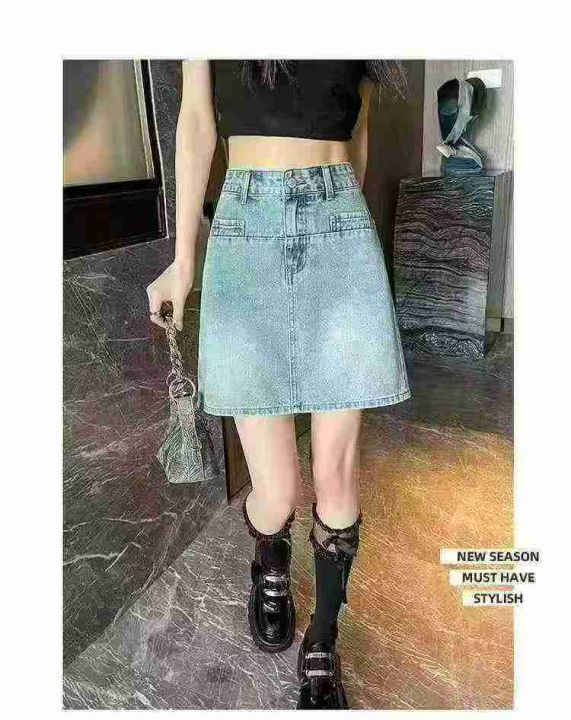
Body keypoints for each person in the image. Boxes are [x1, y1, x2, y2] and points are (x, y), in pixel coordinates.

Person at [147, 59, 411, 710]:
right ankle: (270, 561)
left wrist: (343, 230)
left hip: (341, 235)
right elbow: (196, 123)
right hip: (245, 233)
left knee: (336, 476)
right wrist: (184, 260)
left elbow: (358, 134)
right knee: (276, 491)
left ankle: (323, 638)